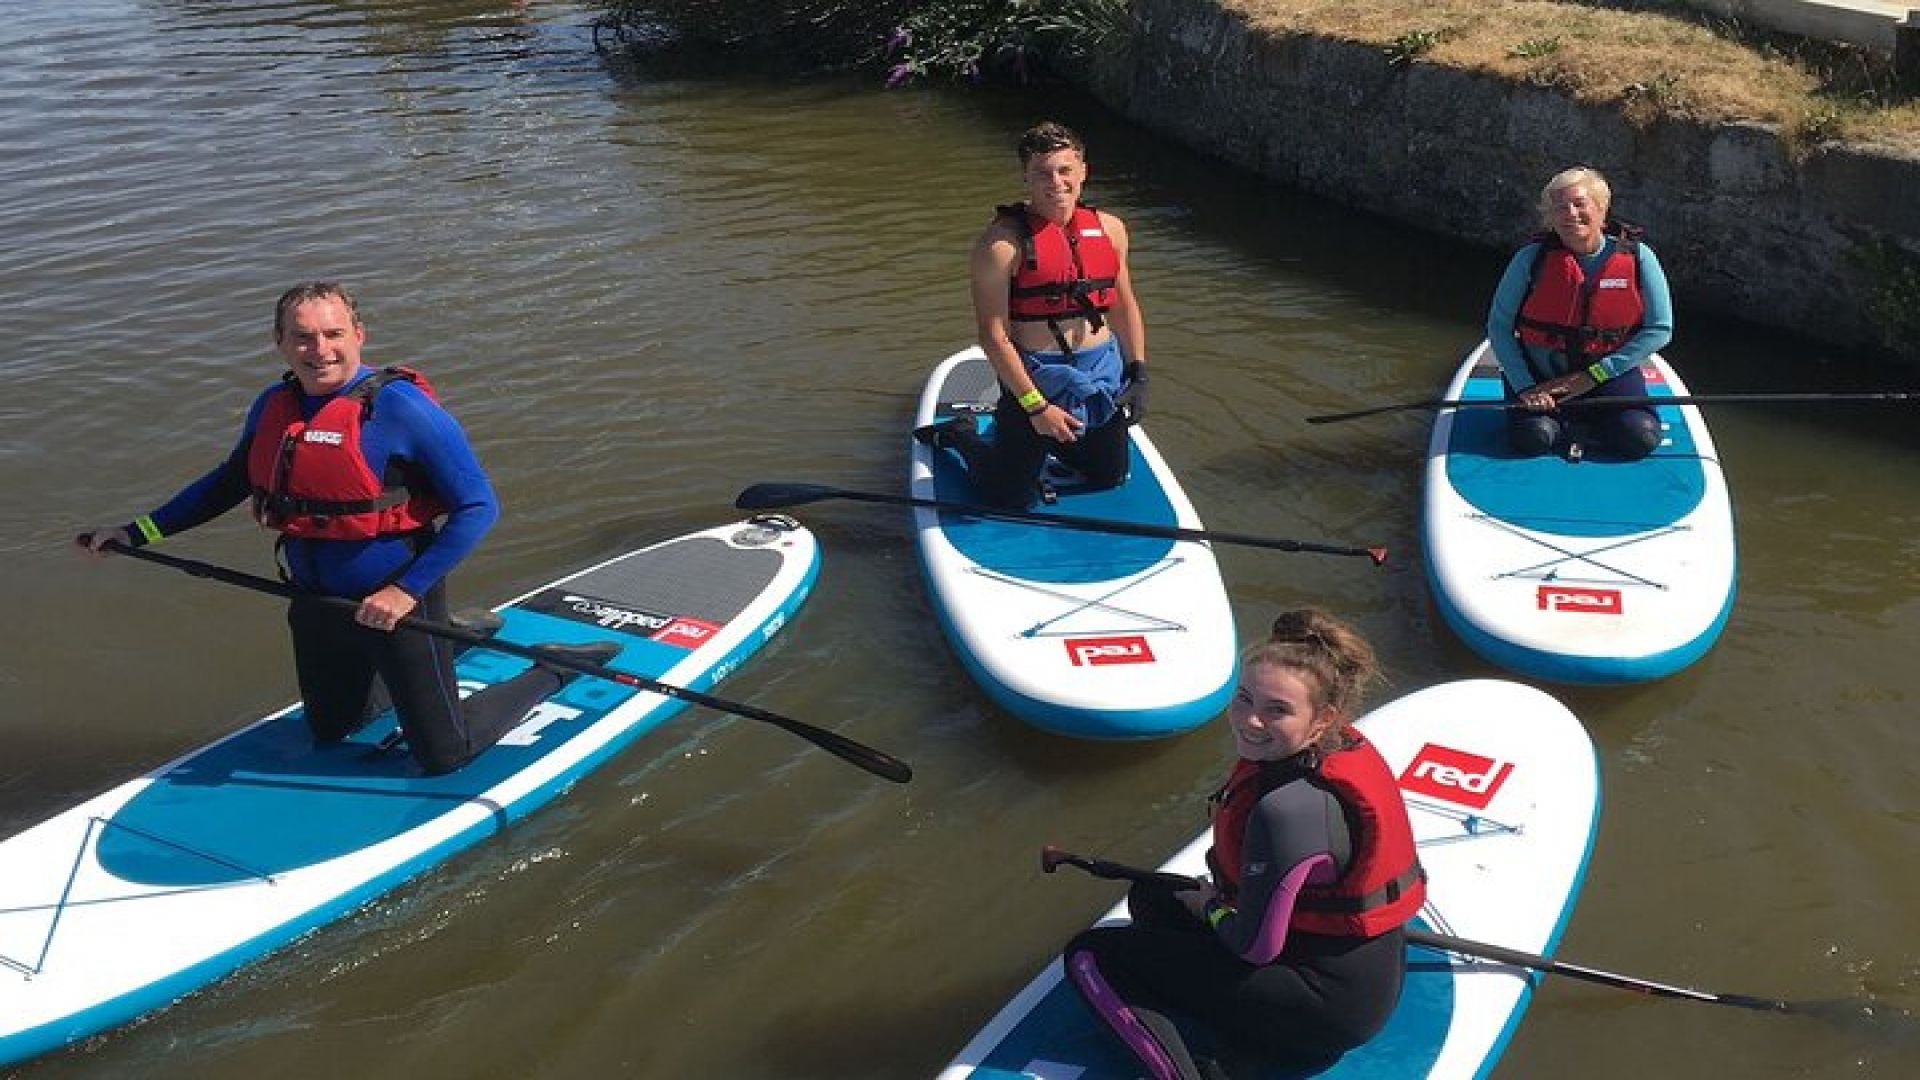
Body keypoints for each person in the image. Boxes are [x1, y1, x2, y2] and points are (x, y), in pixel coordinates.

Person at [78, 282, 617, 776]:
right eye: (303, 338)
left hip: (399, 601)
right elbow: (228, 482)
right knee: (334, 728)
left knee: (443, 752)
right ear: (281, 343)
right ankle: (465, 637)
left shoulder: (400, 407)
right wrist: (136, 532)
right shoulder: (274, 405)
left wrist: (405, 591)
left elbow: (478, 506)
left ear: (358, 334)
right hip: (315, 601)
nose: (321, 350)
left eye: (334, 334)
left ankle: (554, 666)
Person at [1063, 609, 1424, 1079]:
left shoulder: (1289, 811)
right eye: (1244, 698)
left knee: (1091, 953)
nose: (1250, 721)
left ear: (1322, 718)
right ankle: (1252, 1040)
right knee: (1155, 897)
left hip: (1325, 1007)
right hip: (1348, 971)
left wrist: (1215, 905)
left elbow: (1254, 948)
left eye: (1277, 710)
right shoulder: (1340, 746)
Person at [916, 120, 1150, 508]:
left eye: (1064, 170)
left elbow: (1124, 304)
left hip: (1100, 370)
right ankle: (961, 434)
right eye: (1042, 172)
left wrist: (1138, 369)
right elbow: (993, 337)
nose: (1055, 182)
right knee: (1005, 496)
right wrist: (1036, 407)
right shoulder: (1001, 245)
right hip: (1036, 378)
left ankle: (1062, 441)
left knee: (1108, 475)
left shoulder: (1111, 230)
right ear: (1026, 176)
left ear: (1083, 172)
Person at [1486, 165, 1675, 460]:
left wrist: (1593, 376)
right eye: (1559, 208)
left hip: (1606, 374)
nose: (1570, 214)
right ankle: (1563, 425)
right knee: (1534, 437)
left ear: (1601, 209)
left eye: (1579, 204)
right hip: (1540, 378)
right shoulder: (1530, 259)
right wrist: (1525, 387)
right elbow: (1499, 327)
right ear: (1550, 218)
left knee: (1641, 437)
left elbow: (1660, 329)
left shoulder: (1639, 257)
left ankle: (1583, 426)